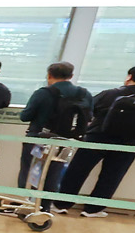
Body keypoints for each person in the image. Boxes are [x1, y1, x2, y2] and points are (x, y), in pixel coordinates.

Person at [49, 65, 135, 216]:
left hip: (97, 137)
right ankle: (93, 210)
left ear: (129, 77)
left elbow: (88, 110)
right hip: (129, 143)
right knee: (112, 176)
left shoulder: (110, 94)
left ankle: (61, 204)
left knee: (77, 171)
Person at [15, 61, 94, 189]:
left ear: (49, 75)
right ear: (71, 75)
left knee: (30, 172)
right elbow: (89, 117)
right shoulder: (84, 94)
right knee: (54, 174)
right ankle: (45, 205)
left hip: (38, 138)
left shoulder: (43, 93)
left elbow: (25, 117)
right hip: (66, 141)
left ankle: (26, 203)